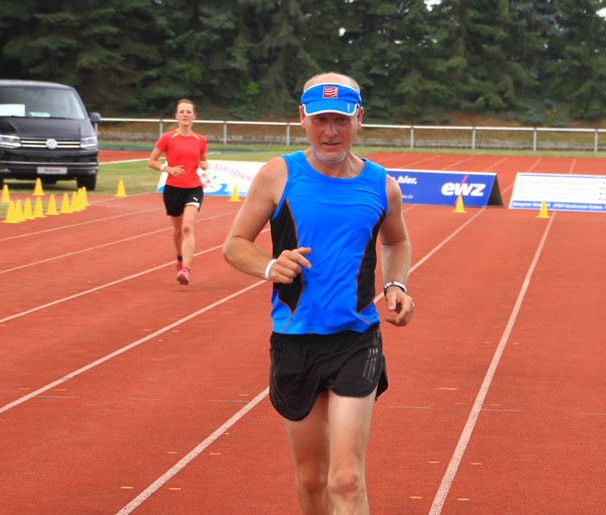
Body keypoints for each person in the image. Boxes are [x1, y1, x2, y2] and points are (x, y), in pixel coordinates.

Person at [222, 72, 414, 514]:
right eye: (321, 120)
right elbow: (234, 245)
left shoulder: (381, 184)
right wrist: (269, 265)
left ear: (359, 118)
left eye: (341, 120)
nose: (330, 132)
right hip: (295, 340)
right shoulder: (278, 175)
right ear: (302, 118)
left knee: (346, 480)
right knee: (311, 480)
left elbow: (396, 240)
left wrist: (395, 284)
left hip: (356, 339)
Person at [147, 98, 209, 285]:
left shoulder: (200, 140)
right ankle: (180, 258)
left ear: (194, 116)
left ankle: (185, 270)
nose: (185, 115)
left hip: (194, 188)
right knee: (177, 230)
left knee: (187, 226)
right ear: (176, 115)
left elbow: (203, 161)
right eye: (182, 111)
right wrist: (167, 169)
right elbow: (151, 161)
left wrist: (203, 165)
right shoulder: (167, 138)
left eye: (188, 112)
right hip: (173, 189)